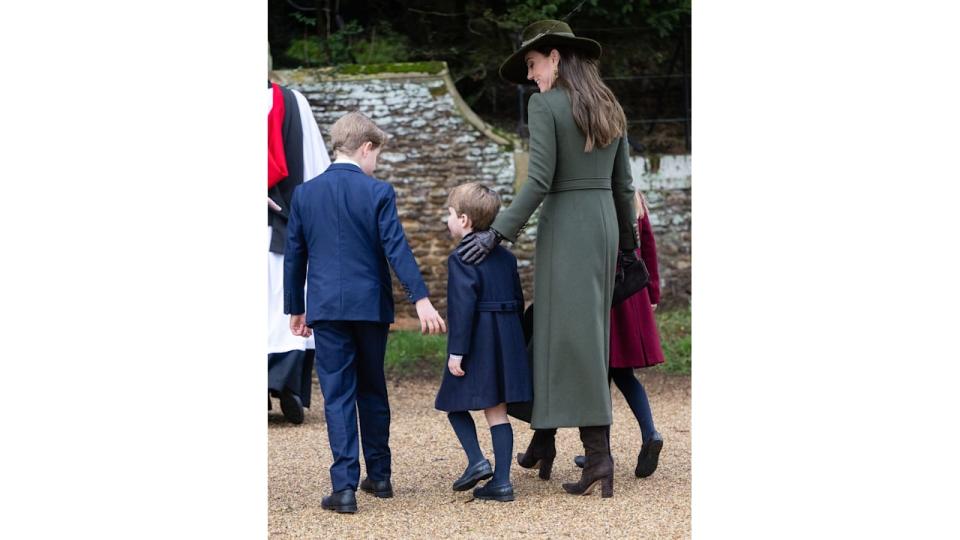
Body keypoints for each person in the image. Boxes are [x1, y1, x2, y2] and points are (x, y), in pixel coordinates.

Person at [459, 20, 638, 498]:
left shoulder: (546, 105)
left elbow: (538, 180)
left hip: (567, 227)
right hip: (601, 226)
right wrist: (629, 245)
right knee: (571, 335)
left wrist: (496, 233)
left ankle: (598, 456)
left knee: (571, 340)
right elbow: (624, 186)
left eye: (534, 65)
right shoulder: (608, 103)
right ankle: (545, 439)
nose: (532, 76)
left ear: (555, 57)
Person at [283, 111, 446, 514]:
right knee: (372, 388)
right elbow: (397, 249)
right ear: (366, 148)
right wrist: (420, 298)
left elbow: (294, 256)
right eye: (378, 155)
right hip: (370, 307)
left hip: (326, 308)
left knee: (337, 395)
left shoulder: (304, 194)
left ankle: (343, 488)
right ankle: (381, 475)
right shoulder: (378, 193)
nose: (377, 165)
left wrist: (295, 308)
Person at [434, 183, 533, 503]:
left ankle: (477, 461)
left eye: (449, 214)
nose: (446, 220)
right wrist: (517, 341)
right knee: (497, 409)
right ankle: (502, 482)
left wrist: (457, 352)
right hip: (507, 337)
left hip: (478, 338)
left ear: (464, 220)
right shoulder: (506, 257)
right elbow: (518, 300)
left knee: (452, 402)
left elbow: (462, 309)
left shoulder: (461, 257)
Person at [572, 191, 665, 478]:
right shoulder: (634, 198)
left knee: (599, 375)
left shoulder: (595, 197)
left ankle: (601, 455)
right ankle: (648, 433)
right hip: (633, 291)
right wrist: (652, 291)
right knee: (623, 373)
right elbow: (648, 246)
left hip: (606, 292)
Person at [267, 54, 330, 424]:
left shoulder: (293, 102)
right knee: (283, 300)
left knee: (279, 301)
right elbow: (316, 165)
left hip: (281, 222)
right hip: (287, 218)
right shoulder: (294, 102)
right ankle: (287, 385)